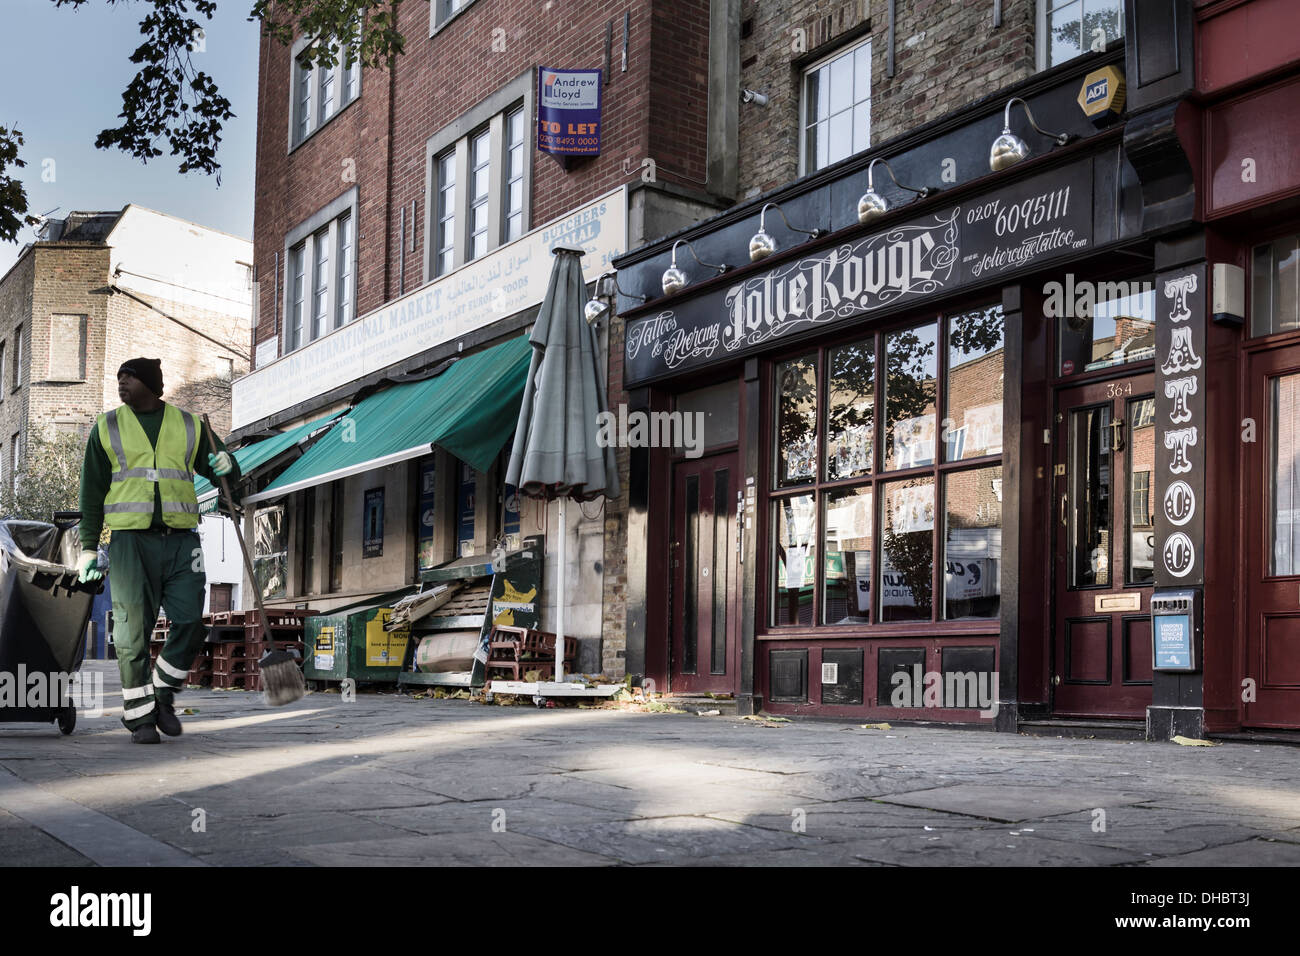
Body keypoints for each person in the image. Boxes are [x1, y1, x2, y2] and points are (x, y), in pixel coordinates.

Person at [76, 358, 242, 744]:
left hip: (183, 540)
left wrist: (226, 463)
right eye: (118, 377)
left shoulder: (188, 425)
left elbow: (224, 474)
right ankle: (141, 719)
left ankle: (162, 694)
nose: (121, 383)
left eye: (129, 377)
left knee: (190, 622)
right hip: (130, 543)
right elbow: (91, 493)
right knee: (132, 635)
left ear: (150, 384)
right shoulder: (107, 426)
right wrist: (87, 548)